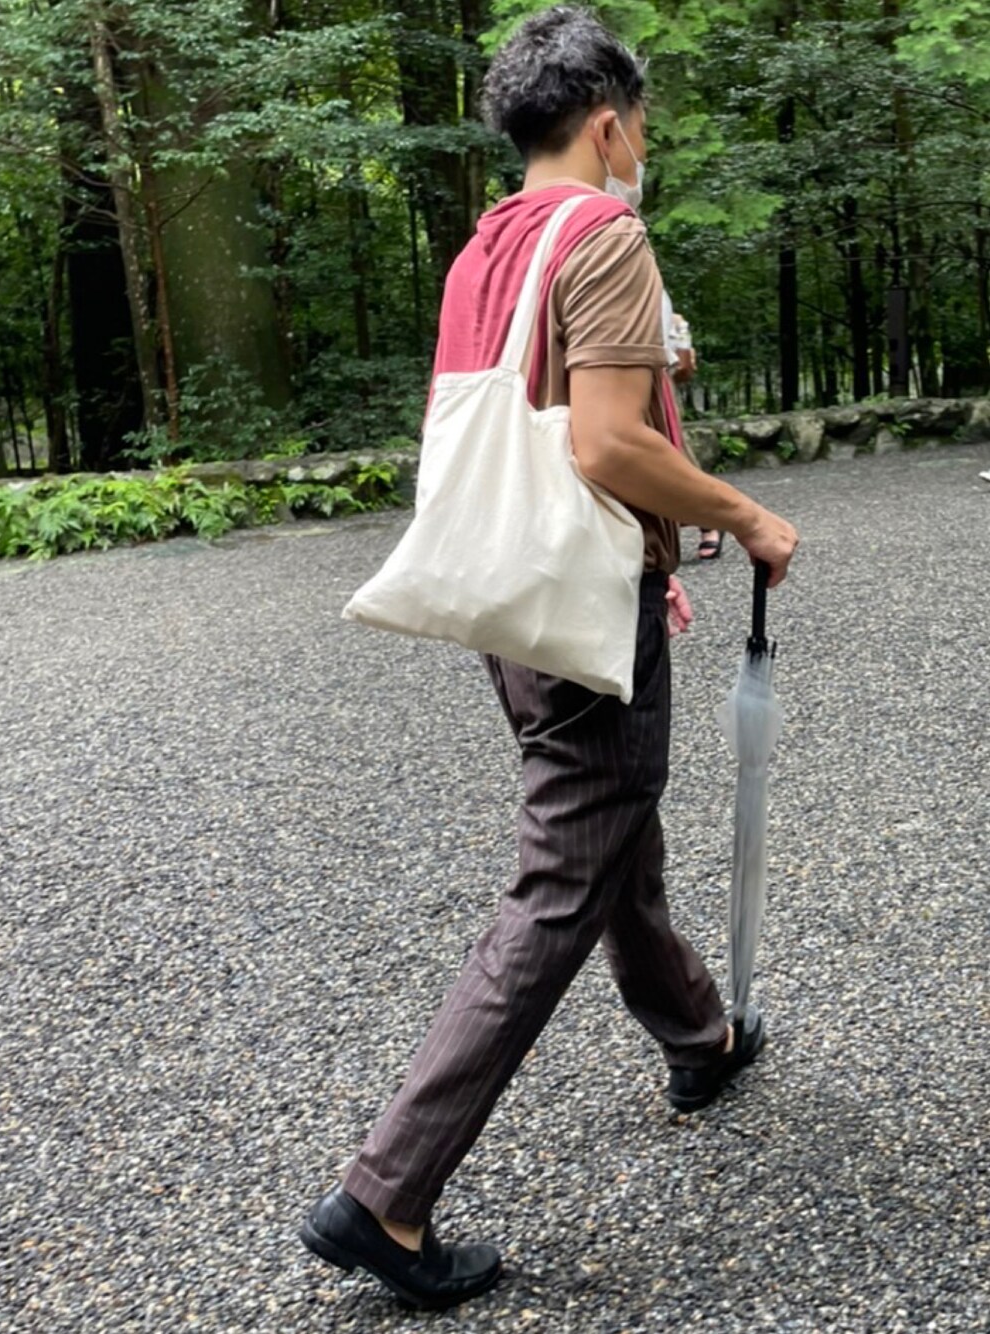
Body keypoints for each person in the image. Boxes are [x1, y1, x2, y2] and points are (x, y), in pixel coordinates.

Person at [299, 6, 799, 1312]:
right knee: (565, 865)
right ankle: (386, 1193)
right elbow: (604, 443)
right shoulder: (605, 233)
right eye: (642, 133)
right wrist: (742, 514)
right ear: (609, 125)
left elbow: (528, 417)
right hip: (581, 599)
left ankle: (699, 1034)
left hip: (505, 591)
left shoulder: (489, 244)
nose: (642, 154)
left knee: (607, 817)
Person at [659, 293, 724, 560]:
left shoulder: (666, 308)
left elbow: (684, 368)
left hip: (657, 383)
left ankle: (711, 519)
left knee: (674, 454)